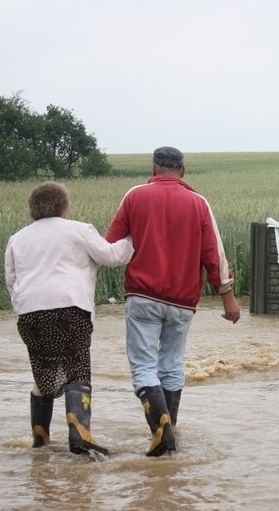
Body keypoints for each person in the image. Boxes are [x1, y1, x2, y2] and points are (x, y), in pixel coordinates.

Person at [105, 146, 241, 457]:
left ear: (153, 168)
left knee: (144, 366)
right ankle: (170, 438)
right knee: (172, 366)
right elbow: (215, 257)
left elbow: (110, 246)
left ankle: (160, 432)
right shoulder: (198, 203)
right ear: (183, 170)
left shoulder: (134, 196)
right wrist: (228, 301)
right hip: (182, 301)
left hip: (142, 296)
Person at [5, 181, 134, 457]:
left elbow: (11, 280)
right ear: (64, 206)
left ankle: (40, 440)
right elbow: (112, 256)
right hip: (69, 308)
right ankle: (79, 435)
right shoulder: (79, 229)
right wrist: (133, 238)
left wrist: (24, 304)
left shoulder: (18, 238)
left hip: (29, 313)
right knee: (77, 370)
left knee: (44, 374)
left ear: (33, 208)